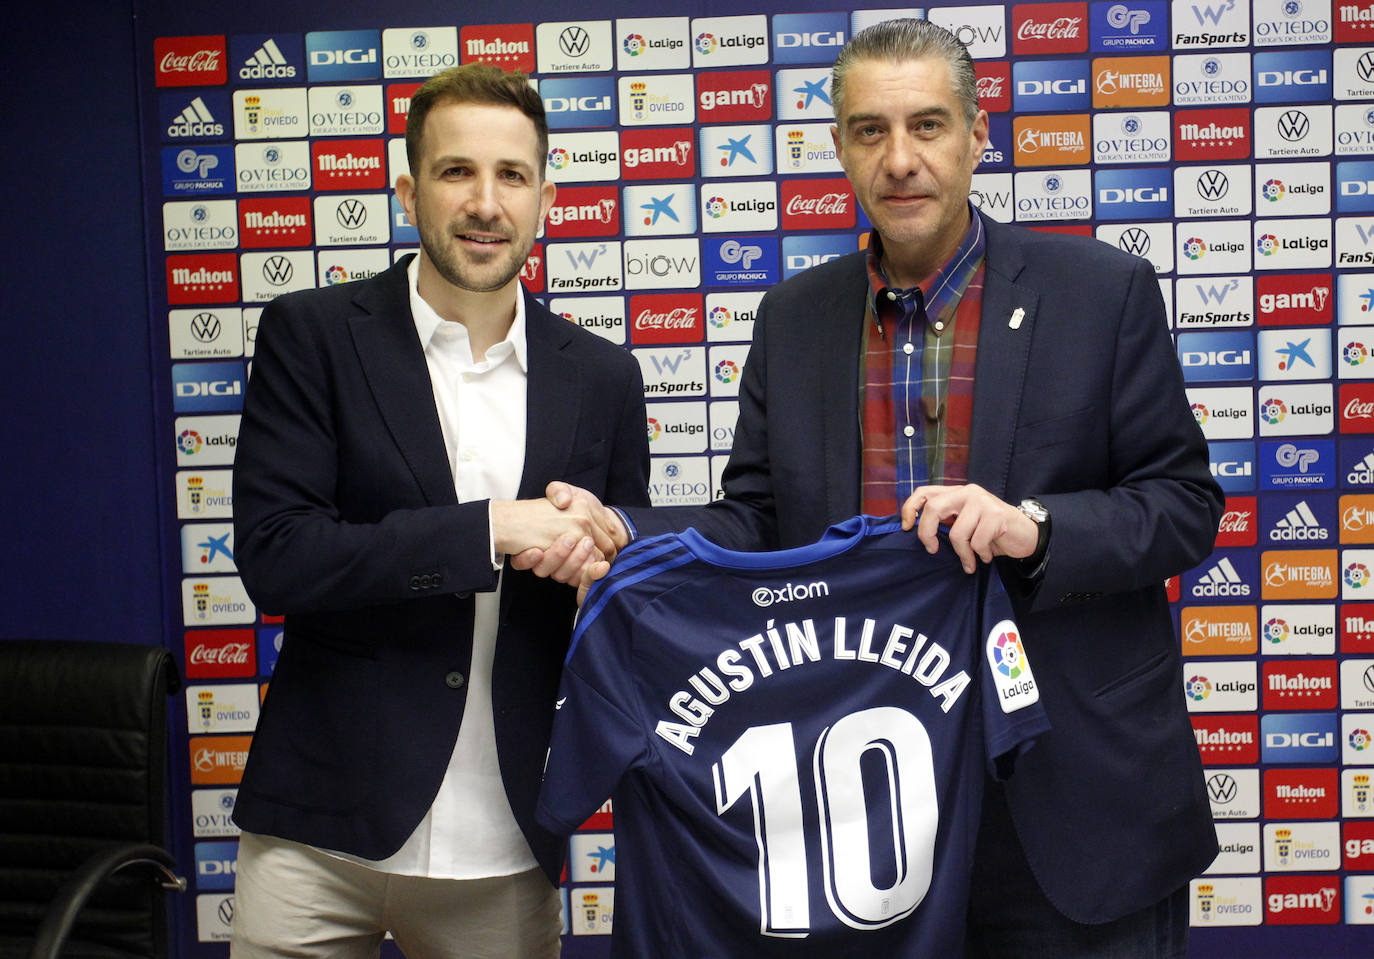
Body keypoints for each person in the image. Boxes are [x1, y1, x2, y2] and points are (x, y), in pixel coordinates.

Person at [529, 18, 1222, 958]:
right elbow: (759, 520)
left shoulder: (1103, 293)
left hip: (1072, 796)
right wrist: (622, 527)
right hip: (863, 817)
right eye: (870, 131)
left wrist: (1034, 527)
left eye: (928, 126)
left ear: (981, 135)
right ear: (841, 148)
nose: (900, 159)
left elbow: (1182, 505)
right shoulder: (795, 318)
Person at [229, 63, 648, 958]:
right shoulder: (312, 335)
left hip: (506, 841)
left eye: (512, 175)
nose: (485, 203)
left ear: (544, 196)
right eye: (457, 171)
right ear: (408, 187)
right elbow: (278, 555)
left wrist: (604, 562)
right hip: (317, 831)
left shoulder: (605, 378)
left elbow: (624, 602)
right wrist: (491, 528)